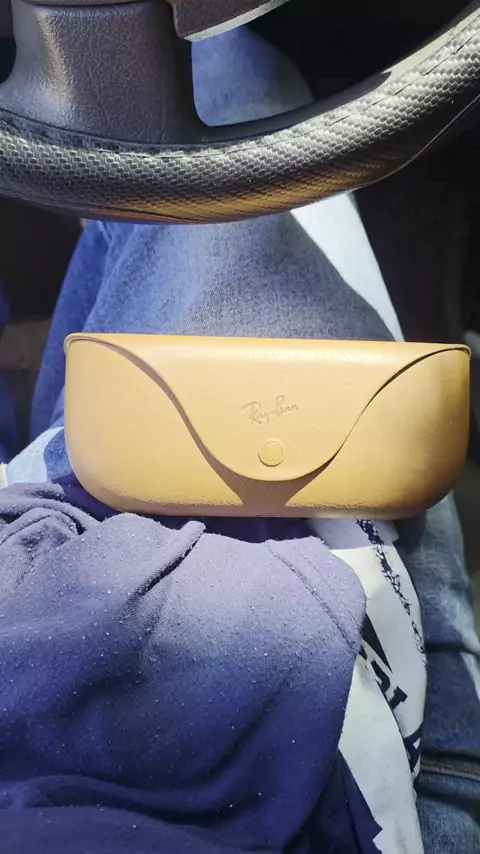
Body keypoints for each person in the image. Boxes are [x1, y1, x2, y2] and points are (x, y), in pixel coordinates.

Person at [0, 24, 478, 854]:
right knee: (229, 84)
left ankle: (96, 224)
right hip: (365, 744)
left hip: (139, 617)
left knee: (139, 157)